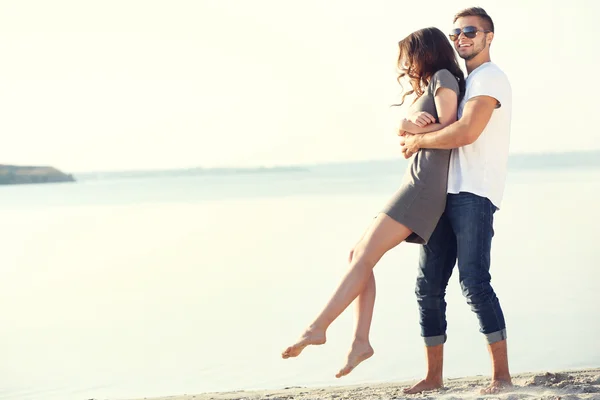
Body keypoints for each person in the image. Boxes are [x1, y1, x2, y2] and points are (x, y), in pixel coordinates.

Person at [281, 27, 465, 379]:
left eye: (409, 57)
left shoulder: (442, 77)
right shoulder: (430, 84)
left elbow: (451, 126)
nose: (406, 65)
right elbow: (418, 128)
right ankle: (359, 342)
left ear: (424, 53)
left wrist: (412, 129)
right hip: (415, 180)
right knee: (357, 255)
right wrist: (406, 124)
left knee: (363, 256)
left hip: (424, 187)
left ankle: (317, 327)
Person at [399, 7, 513, 395]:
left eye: (469, 31)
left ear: (488, 37)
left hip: (474, 192)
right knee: (427, 287)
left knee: (474, 282)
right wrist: (413, 129)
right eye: (455, 34)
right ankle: (433, 378)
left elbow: (465, 132)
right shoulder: (462, 80)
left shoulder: (490, 78)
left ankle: (501, 377)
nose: (461, 38)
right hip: (443, 195)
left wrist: (418, 141)